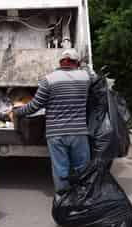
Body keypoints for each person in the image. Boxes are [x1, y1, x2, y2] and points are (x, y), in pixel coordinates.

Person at [12, 49, 92, 192]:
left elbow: (34, 106)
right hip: (79, 133)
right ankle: (83, 199)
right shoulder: (86, 77)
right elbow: (96, 81)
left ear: (60, 62)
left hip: (55, 134)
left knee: (61, 170)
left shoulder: (48, 79)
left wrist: (17, 112)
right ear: (77, 63)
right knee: (82, 169)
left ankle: (63, 201)